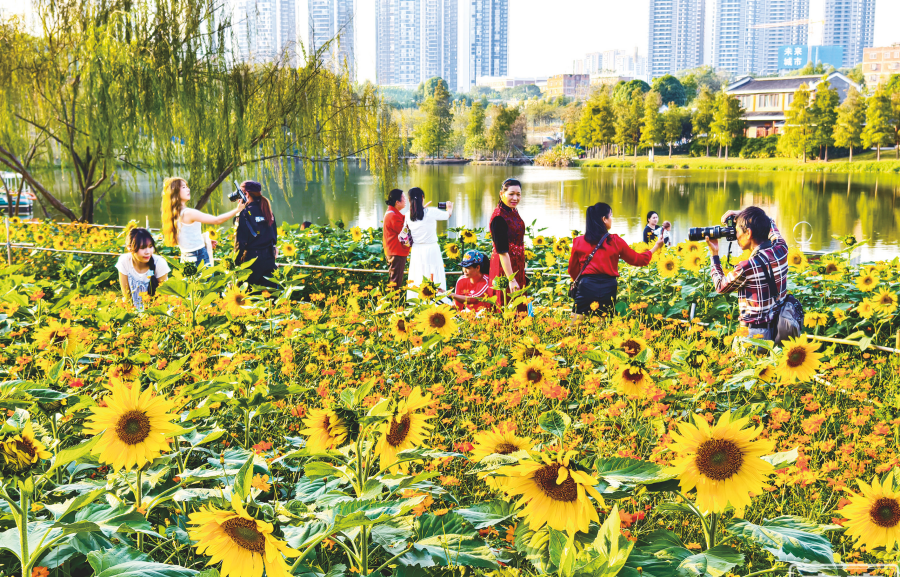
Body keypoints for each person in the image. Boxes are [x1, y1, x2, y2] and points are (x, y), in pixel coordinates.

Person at [705, 207, 788, 341]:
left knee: (747, 362)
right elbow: (770, 222)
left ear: (748, 233)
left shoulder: (747, 267)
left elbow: (720, 286)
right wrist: (743, 215)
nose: (735, 236)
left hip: (754, 336)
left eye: (737, 231)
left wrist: (714, 254)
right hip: (779, 328)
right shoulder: (781, 248)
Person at [568, 203, 664, 317]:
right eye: (611, 216)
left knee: (575, 328)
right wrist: (656, 247)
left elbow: (572, 270)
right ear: (604, 219)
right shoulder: (615, 241)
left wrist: (582, 282)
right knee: (603, 329)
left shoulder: (579, 241)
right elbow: (638, 260)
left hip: (586, 287)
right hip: (608, 288)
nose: (612, 219)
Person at [161, 176, 245, 266]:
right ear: (175, 192)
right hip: (199, 256)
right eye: (183, 187)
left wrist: (205, 241)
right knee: (208, 280)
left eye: (187, 186)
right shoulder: (189, 213)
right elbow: (217, 220)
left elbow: (186, 235)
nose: (188, 189)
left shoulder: (174, 213)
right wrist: (237, 210)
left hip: (186, 256)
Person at [404, 187, 453, 300]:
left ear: (409, 199)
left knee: (418, 274)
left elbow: (417, 218)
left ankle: (417, 301)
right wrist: (449, 207)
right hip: (431, 249)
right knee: (434, 274)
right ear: (422, 197)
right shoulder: (431, 212)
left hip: (417, 250)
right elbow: (447, 215)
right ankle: (437, 300)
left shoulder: (407, 216)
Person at [488, 178, 528, 313]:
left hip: (517, 264)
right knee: (507, 303)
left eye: (518, 194)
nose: (515, 198)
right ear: (501, 194)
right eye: (511, 194)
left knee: (519, 304)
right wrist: (510, 279)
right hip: (504, 267)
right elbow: (502, 251)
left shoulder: (512, 211)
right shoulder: (499, 217)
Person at [234, 180, 279, 290]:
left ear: (246, 194)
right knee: (269, 297)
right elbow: (274, 236)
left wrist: (235, 263)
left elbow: (240, 242)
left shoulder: (243, 213)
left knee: (247, 298)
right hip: (269, 260)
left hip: (250, 261)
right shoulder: (268, 211)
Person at [117, 227, 170, 311]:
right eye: (142, 248)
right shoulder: (124, 261)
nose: (148, 252)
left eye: (150, 246)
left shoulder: (160, 263)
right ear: (129, 248)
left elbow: (164, 297)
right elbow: (126, 295)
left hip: (158, 310)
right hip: (134, 310)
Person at [382, 188, 409, 291]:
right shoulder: (392, 216)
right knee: (395, 282)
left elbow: (404, 218)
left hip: (394, 252)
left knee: (394, 280)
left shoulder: (392, 213)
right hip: (396, 253)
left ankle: (391, 303)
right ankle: (392, 304)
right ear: (397, 202)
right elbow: (404, 230)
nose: (405, 200)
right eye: (404, 198)